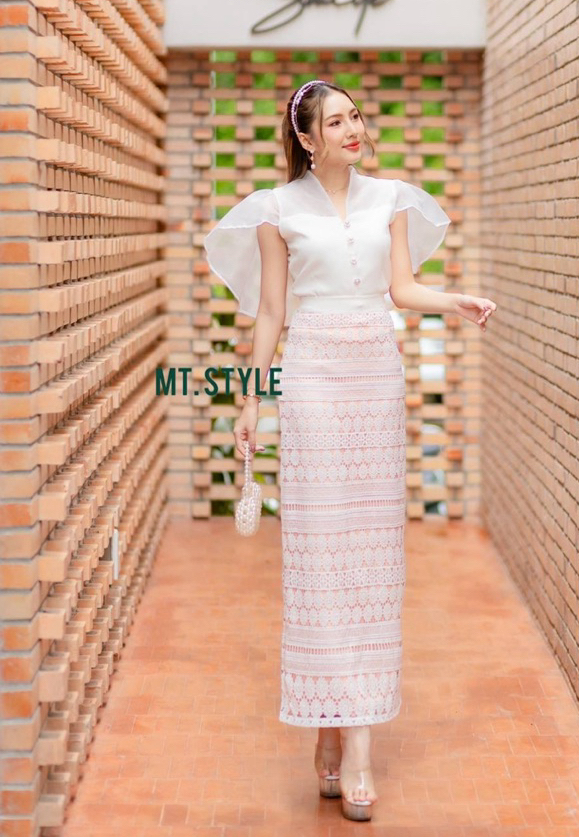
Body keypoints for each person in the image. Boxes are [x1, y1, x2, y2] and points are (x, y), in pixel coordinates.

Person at [203, 79, 496, 822]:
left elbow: (402, 289)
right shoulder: (276, 210)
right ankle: (335, 729)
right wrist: (251, 401)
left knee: (369, 556)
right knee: (319, 554)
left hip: (374, 376)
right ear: (307, 139)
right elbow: (272, 312)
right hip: (312, 379)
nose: (354, 128)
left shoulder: (389, 198)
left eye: (355, 116)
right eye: (336, 122)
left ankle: (351, 738)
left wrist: (455, 301)